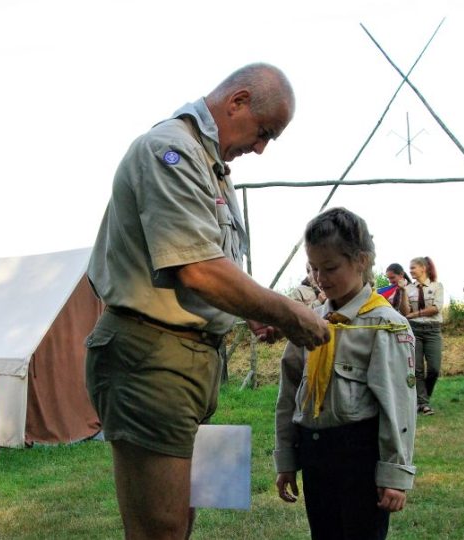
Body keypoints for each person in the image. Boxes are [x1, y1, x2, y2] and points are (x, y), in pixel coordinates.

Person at [84, 62, 330, 539]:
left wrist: (248, 313)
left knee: (181, 518)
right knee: (161, 527)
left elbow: (214, 269)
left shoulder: (210, 165)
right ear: (237, 101)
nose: (259, 148)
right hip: (151, 357)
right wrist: (286, 311)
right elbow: (196, 268)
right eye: (263, 133)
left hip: (186, 360)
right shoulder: (170, 151)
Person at [274, 207, 416, 540]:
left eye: (331, 267)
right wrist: (286, 457)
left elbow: (397, 404)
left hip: (359, 458)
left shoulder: (384, 324)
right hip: (315, 452)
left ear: (362, 261)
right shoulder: (308, 322)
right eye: (313, 268)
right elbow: (290, 391)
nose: (320, 278)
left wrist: (394, 474)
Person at [405, 256, 444, 416]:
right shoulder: (408, 289)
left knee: (434, 368)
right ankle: (424, 403)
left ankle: (422, 397)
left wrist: (416, 313)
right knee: (417, 369)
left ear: (423, 268)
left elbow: (436, 308)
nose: (410, 271)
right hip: (415, 330)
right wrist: (401, 292)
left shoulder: (436, 286)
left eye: (413, 267)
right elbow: (405, 313)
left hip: (433, 329)